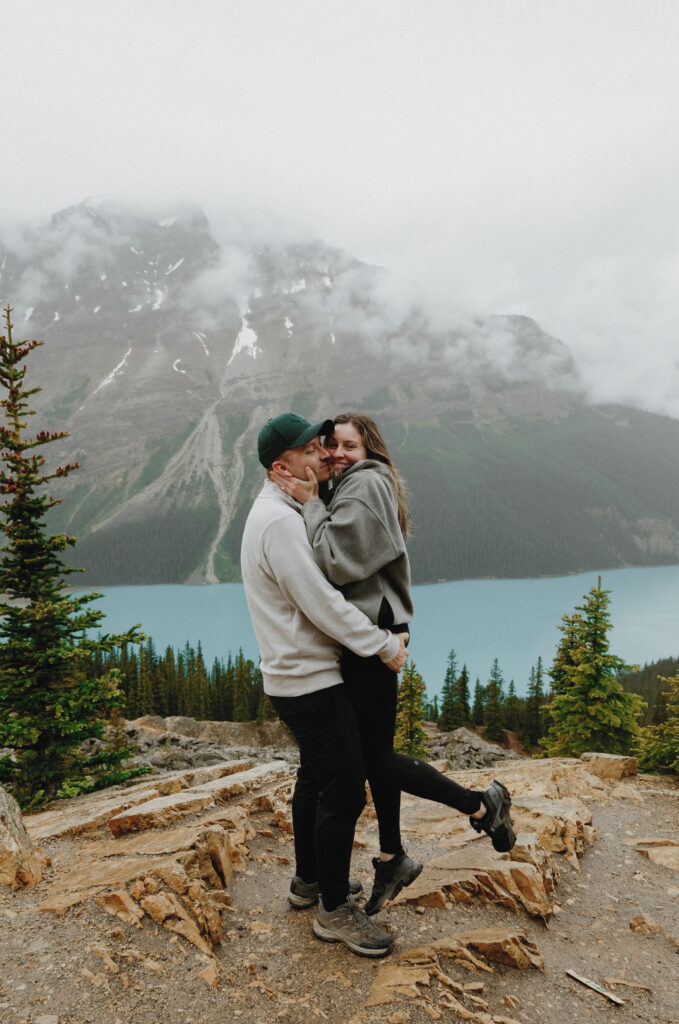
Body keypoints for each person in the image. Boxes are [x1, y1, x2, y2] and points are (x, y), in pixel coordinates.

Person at [271, 412, 516, 916]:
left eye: (349, 446)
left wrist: (310, 503)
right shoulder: (357, 482)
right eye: (330, 445)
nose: (337, 454)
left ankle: (479, 805)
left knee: (370, 760)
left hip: (371, 640)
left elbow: (338, 561)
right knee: (366, 756)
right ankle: (390, 855)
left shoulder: (362, 486)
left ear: (370, 449)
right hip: (367, 637)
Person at [240, 412, 409, 958]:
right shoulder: (280, 523)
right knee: (342, 788)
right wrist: (383, 645)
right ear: (279, 465)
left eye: (324, 448)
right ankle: (335, 911)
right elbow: (324, 604)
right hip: (308, 680)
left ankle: (309, 882)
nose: (322, 459)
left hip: (295, 676)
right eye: (311, 451)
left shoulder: (282, 510)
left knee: (314, 779)